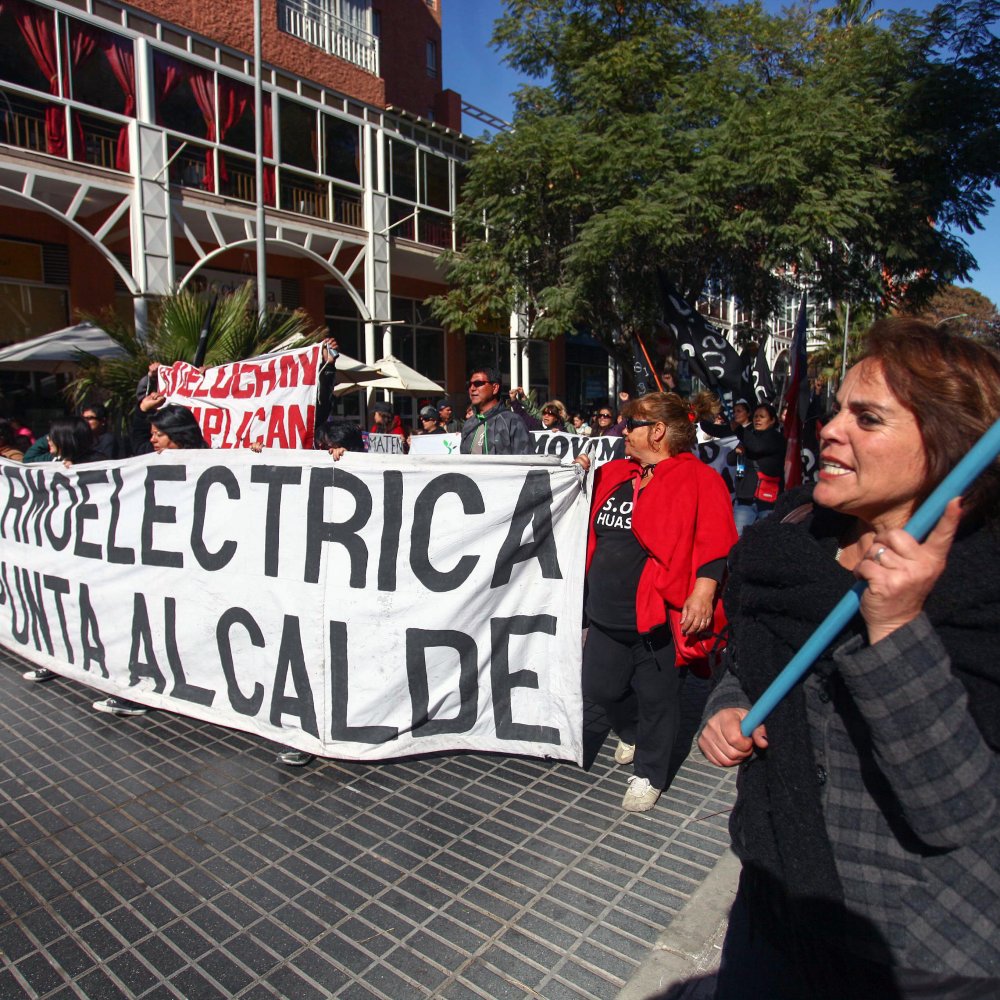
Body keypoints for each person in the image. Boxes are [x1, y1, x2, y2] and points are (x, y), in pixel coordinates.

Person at [699, 318, 1000, 999]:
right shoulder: (793, 537)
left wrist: (896, 626)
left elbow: (954, 811)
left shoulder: (983, 593)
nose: (830, 430)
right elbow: (746, 661)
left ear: (951, 448)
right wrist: (726, 708)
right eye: (838, 409)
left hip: (916, 949)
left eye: (867, 418)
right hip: (772, 902)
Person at [580, 392, 736, 812]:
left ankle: (650, 773)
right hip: (606, 611)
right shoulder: (614, 473)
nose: (622, 430)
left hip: (659, 616)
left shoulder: (700, 479)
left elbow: (716, 540)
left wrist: (703, 591)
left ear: (658, 431)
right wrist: (577, 472)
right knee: (600, 688)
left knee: (658, 699)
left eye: (631, 423)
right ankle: (629, 731)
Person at [731, 401, 785, 534]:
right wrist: (737, 451)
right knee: (737, 541)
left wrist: (739, 429)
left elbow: (757, 446)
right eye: (755, 416)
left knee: (766, 542)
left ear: (772, 420)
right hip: (744, 500)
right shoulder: (749, 437)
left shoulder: (775, 438)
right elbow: (731, 459)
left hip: (766, 501)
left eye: (762, 416)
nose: (757, 419)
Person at [460, 366, 532, 455]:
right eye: (469, 385)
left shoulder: (512, 421)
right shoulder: (469, 424)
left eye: (478, 383)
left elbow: (525, 462)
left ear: (495, 388)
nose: (472, 389)